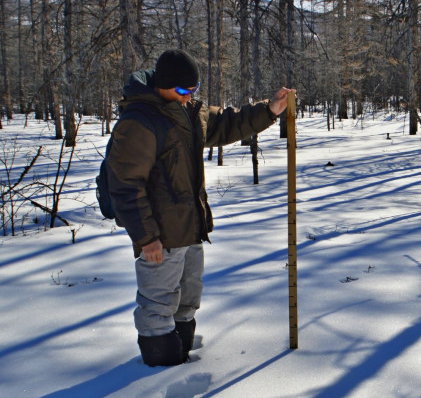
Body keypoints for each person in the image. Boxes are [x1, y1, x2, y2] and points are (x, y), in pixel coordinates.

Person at [107, 48, 294, 367]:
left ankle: (180, 358)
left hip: (190, 228)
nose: (187, 96)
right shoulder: (139, 121)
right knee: (158, 306)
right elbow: (125, 185)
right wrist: (146, 237)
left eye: (192, 91)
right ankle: (156, 378)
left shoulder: (189, 112)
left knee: (187, 300)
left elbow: (228, 123)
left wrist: (270, 110)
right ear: (163, 85)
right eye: (182, 90)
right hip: (160, 237)